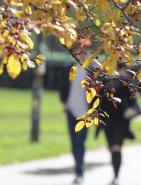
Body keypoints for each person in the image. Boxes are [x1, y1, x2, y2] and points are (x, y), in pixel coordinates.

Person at [99, 65, 141, 185]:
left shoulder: (127, 82)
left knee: (116, 147)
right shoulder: (103, 81)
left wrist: (132, 110)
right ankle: (115, 173)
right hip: (107, 121)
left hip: (121, 121)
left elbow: (134, 101)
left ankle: (116, 177)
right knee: (112, 148)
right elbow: (97, 101)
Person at [58, 41, 92, 185]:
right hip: (71, 110)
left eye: (85, 50)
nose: (82, 53)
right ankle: (78, 168)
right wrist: (64, 102)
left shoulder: (93, 70)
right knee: (74, 143)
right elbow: (62, 86)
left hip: (86, 113)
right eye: (79, 50)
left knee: (80, 142)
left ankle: (79, 172)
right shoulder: (68, 68)